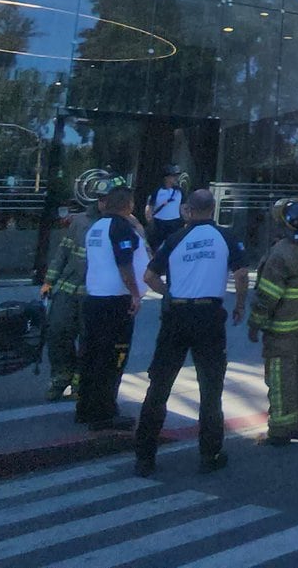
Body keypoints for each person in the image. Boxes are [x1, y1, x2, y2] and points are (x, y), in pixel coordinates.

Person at [133, 188, 248, 477]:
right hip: (208, 316)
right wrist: (240, 305)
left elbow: (149, 276)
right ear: (213, 209)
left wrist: (169, 293)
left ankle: (144, 458)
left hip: (176, 316)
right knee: (210, 388)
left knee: (159, 387)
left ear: (188, 210)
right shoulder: (226, 237)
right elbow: (242, 273)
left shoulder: (174, 239)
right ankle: (210, 454)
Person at [248, 197, 298, 445]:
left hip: (281, 329)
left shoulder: (280, 254)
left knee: (281, 379)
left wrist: (254, 324)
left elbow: (267, 297)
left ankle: (280, 430)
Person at [75, 177, 147, 430]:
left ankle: (86, 408)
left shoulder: (96, 227)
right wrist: (136, 294)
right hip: (115, 303)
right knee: (113, 358)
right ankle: (105, 412)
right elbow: (125, 264)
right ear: (128, 204)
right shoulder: (120, 228)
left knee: (92, 356)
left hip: (95, 300)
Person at [38, 197, 94, 401]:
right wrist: (49, 281)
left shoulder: (124, 225)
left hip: (95, 295)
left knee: (89, 339)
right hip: (68, 289)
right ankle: (61, 377)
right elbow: (63, 252)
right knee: (57, 331)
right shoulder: (80, 222)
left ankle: (81, 381)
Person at [145, 164, 186, 249]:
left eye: (177, 176)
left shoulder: (180, 191)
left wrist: (186, 220)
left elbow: (183, 208)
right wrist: (150, 221)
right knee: (156, 247)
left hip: (175, 223)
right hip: (159, 223)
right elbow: (150, 207)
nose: (176, 178)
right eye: (173, 176)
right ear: (166, 178)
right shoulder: (156, 190)